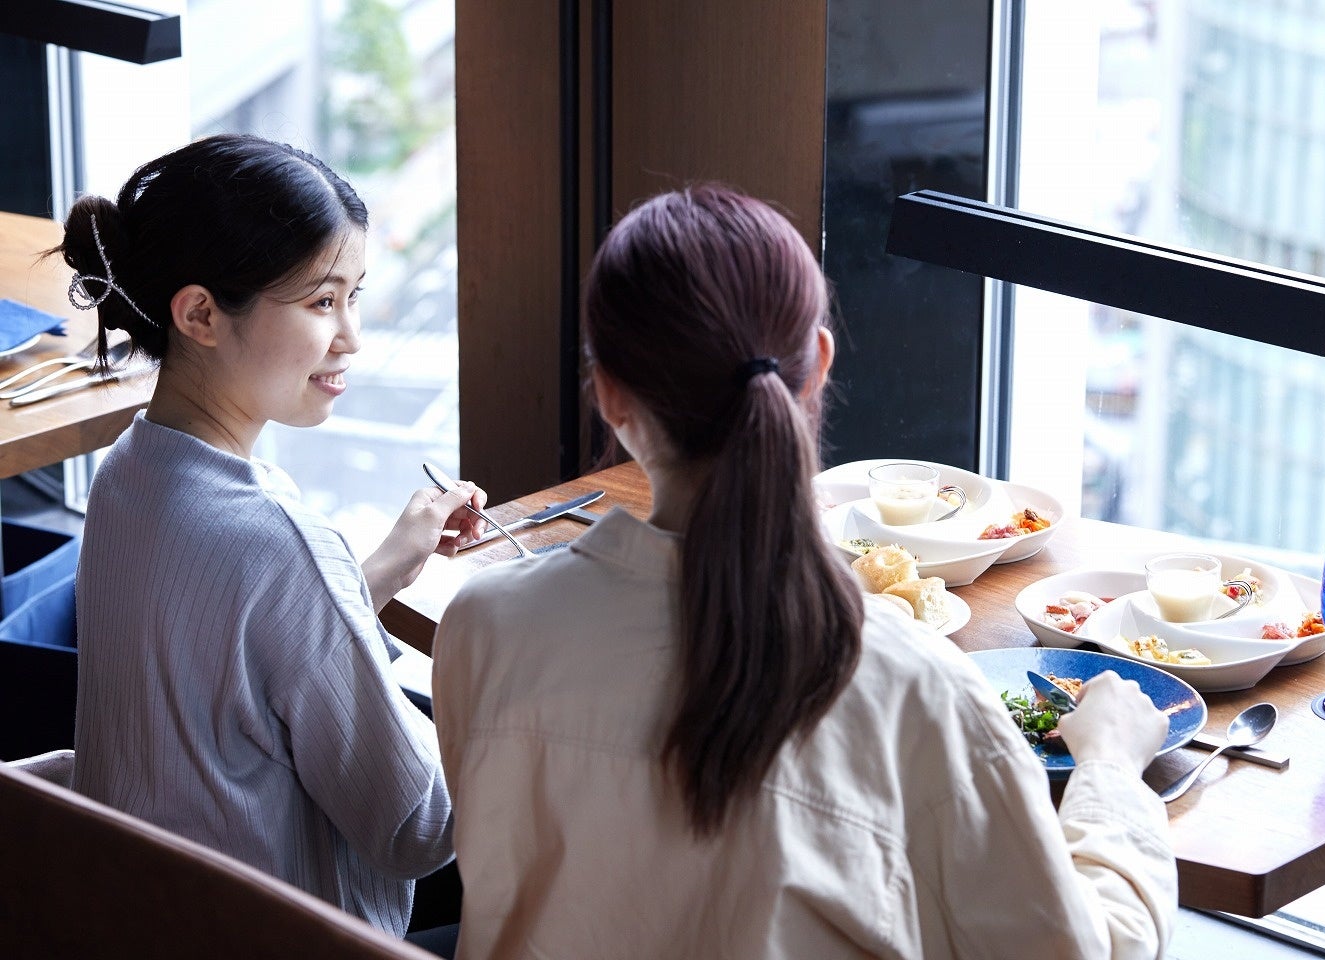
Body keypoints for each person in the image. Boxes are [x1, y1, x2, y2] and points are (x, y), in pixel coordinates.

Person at [430, 184, 1177, 959]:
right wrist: (1110, 766)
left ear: (611, 396)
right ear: (817, 364)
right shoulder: (915, 688)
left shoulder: (484, 627)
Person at [60, 133, 483, 940]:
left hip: (138, 921)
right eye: (323, 302)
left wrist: (380, 570)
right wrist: (510, 692)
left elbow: (241, 656)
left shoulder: (127, 475)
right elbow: (417, 829)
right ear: (200, 314)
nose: (351, 336)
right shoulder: (278, 539)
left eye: (354, 297)